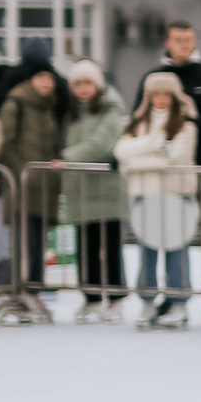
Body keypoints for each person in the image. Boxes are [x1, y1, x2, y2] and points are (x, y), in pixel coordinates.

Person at [145, 23, 201, 318]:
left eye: (189, 39)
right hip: (167, 169)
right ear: (168, 43)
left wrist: (196, 122)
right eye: (179, 39)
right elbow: (140, 116)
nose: (184, 44)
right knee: (171, 230)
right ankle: (174, 291)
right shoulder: (155, 77)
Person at [114, 72, 200, 329]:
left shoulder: (186, 125)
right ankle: (147, 301)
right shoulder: (137, 123)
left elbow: (175, 156)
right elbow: (121, 151)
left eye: (166, 95)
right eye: (156, 94)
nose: (161, 100)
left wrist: (137, 160)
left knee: (177, 249)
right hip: (144, 194)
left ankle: (178, 301)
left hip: (175, 194)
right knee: (146, 251)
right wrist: (154, 144)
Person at [59, 61, 129, 321]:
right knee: (85, 246)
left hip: (107, 188)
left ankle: (116, 297)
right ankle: (91, 297)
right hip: (81, 189)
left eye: (87, 82)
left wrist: (67, 158)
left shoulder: (111, 108)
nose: (83, 88)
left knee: (109, 246)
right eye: (78, 83)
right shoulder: (71, 112)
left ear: (98, 84)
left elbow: (102, 142)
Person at [0, 59, 65, 297]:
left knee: (39, 243)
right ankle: (18, 291)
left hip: (44, 187)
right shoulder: (16, 103)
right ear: (31, 79)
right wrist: (22, 173)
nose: (46, 82)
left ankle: (34, 290)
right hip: (22, 184)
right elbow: (6, 143)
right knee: (23, 242)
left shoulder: (49, 107)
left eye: (49, 78)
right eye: (40, 77)